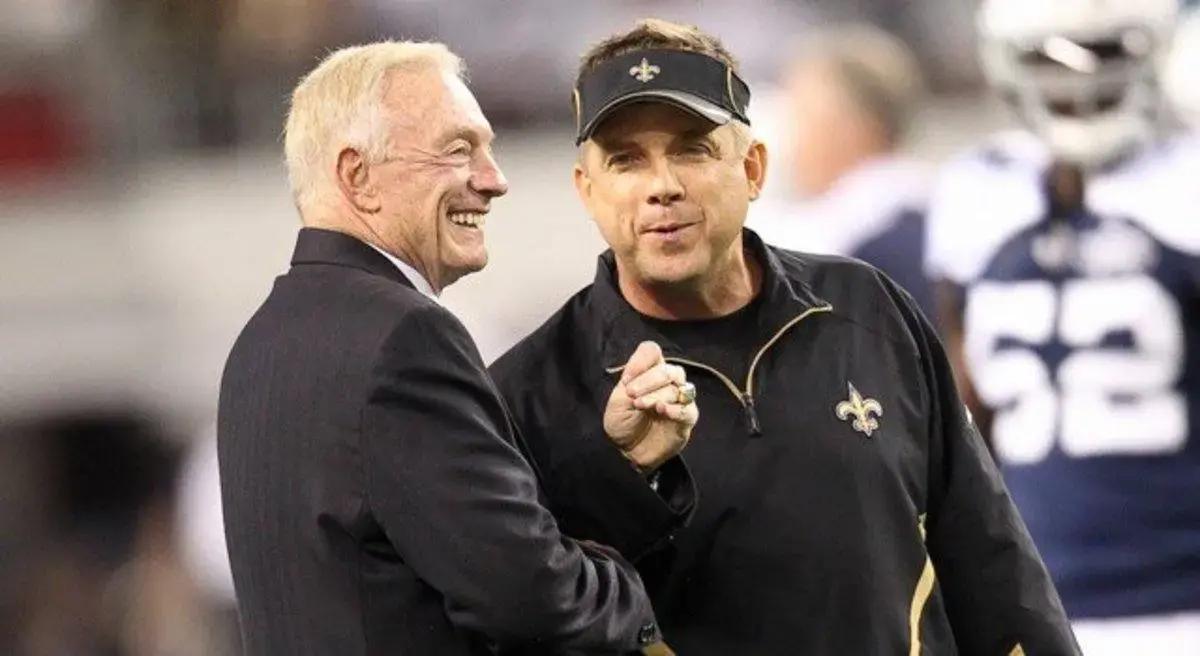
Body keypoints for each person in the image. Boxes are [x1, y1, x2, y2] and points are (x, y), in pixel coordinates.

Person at [489, 18, 1078, 655]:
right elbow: (533, 622)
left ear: (753, 168)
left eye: (692, 149)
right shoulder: (530, 392)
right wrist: (620, 475)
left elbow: (989, 559)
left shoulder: (868, 311)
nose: (662, 186)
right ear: (587, 190)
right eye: (626, 160)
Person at [218, 41, 700, 655]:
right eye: (458, 150)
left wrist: (616, 470)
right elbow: (527, 598)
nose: (494, 180)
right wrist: (640, 608)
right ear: (357, 176)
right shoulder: (405, 338)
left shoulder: (260, 342)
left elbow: (423, 550)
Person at [925, 1, 1200, 653]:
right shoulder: (979, 191)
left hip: (1181, 597)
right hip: (1035, 598)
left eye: (1106, 52)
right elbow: (966, 412)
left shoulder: (1184, 184)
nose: (1078, 78)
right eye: (1049, 57)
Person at [748, 24, 935, 318]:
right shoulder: (916, 206)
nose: (790, 139)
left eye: (803, 116)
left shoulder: (884, 235)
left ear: (854, 127)